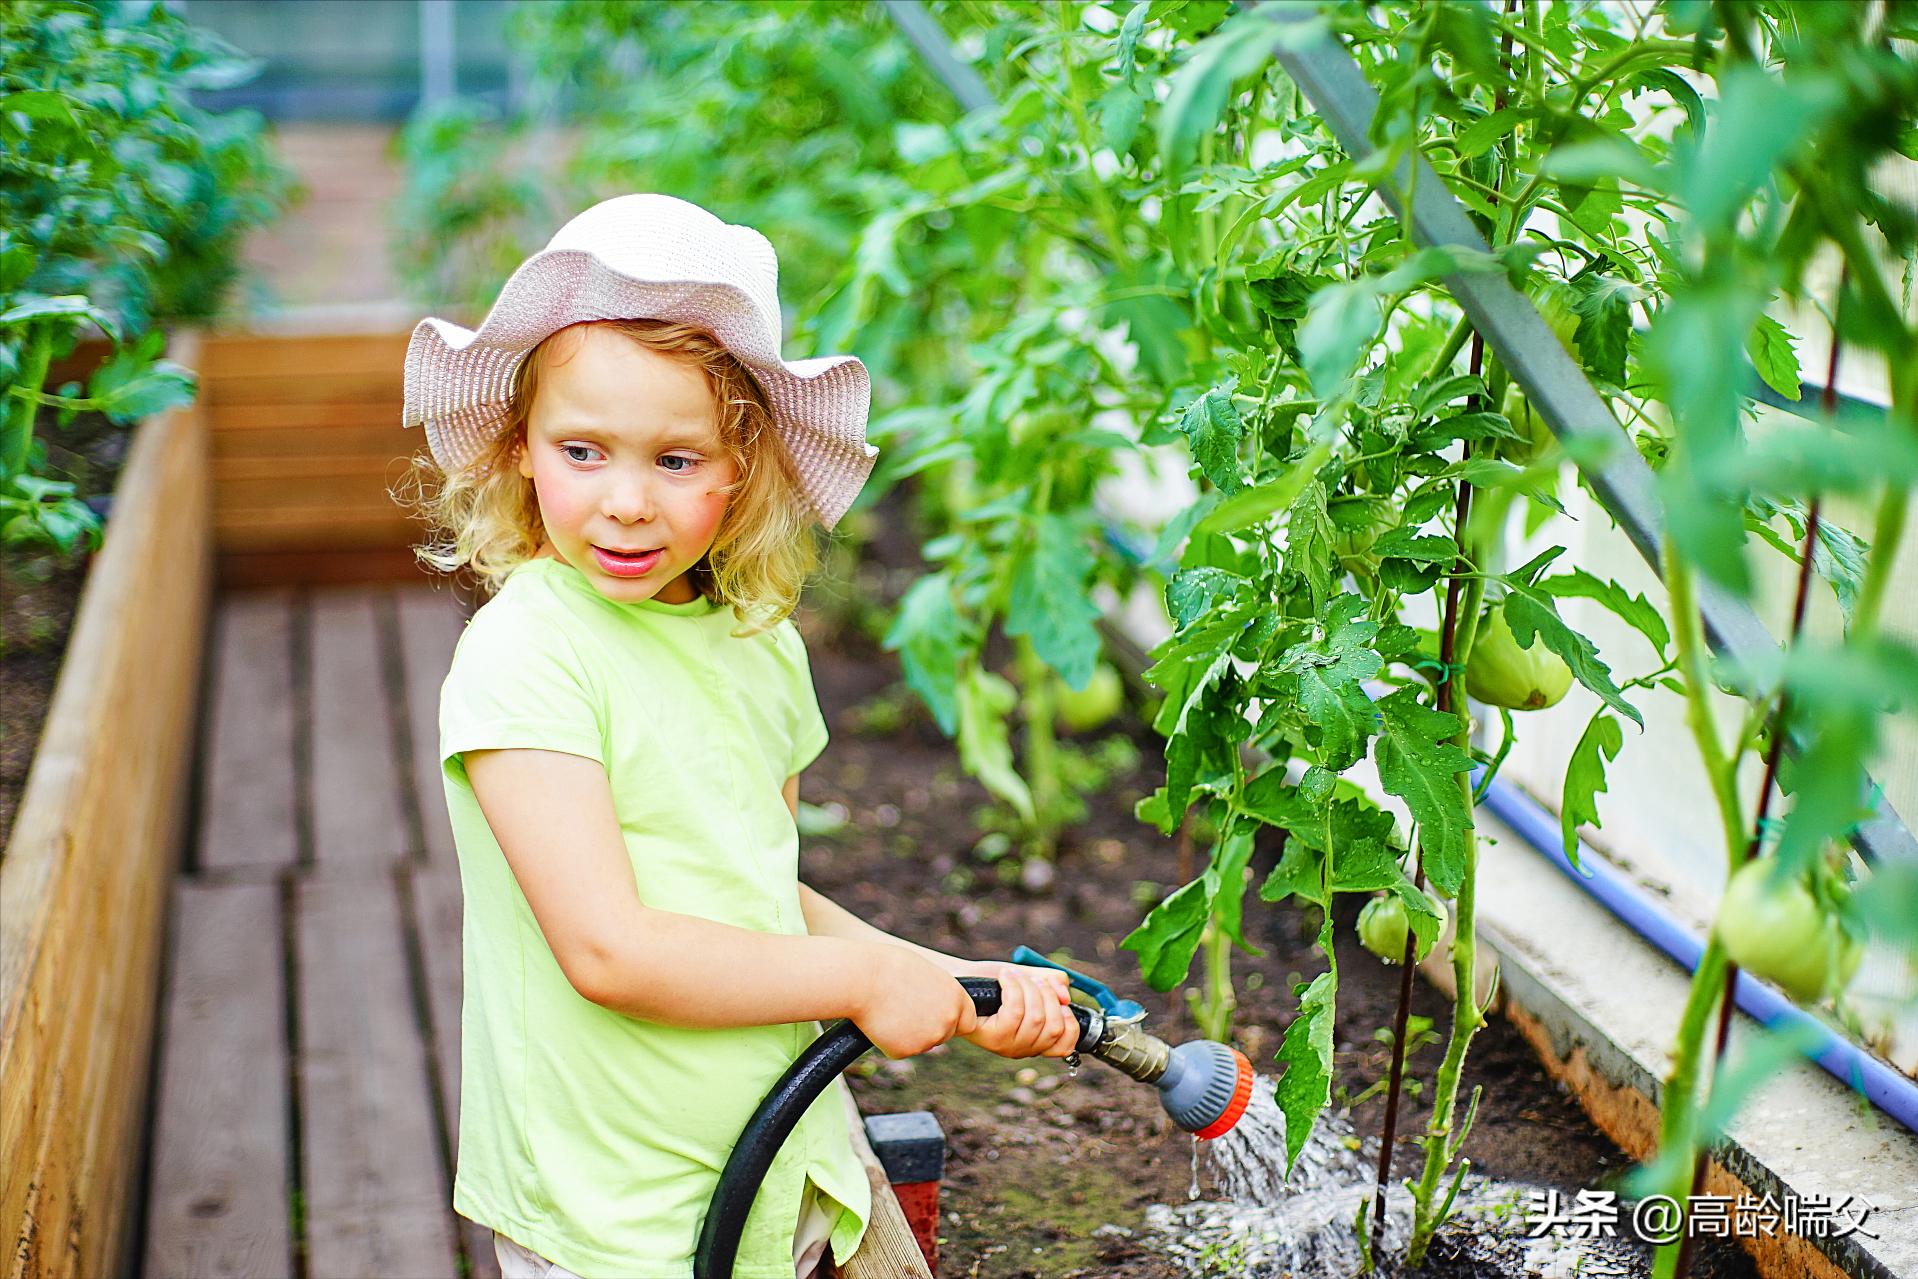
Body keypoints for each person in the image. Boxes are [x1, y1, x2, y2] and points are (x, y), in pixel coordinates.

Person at [398, 193, 1080, 1279]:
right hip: (620, 1204)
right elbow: (607, 949)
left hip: (780, 1152)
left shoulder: (757, 646)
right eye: (583, 450)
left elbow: (759, 892)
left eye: (675, 461)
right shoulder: (528, 654)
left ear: (742, 465)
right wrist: (862, 986)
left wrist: (947, 979)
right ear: (520, 449)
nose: (625, 503)